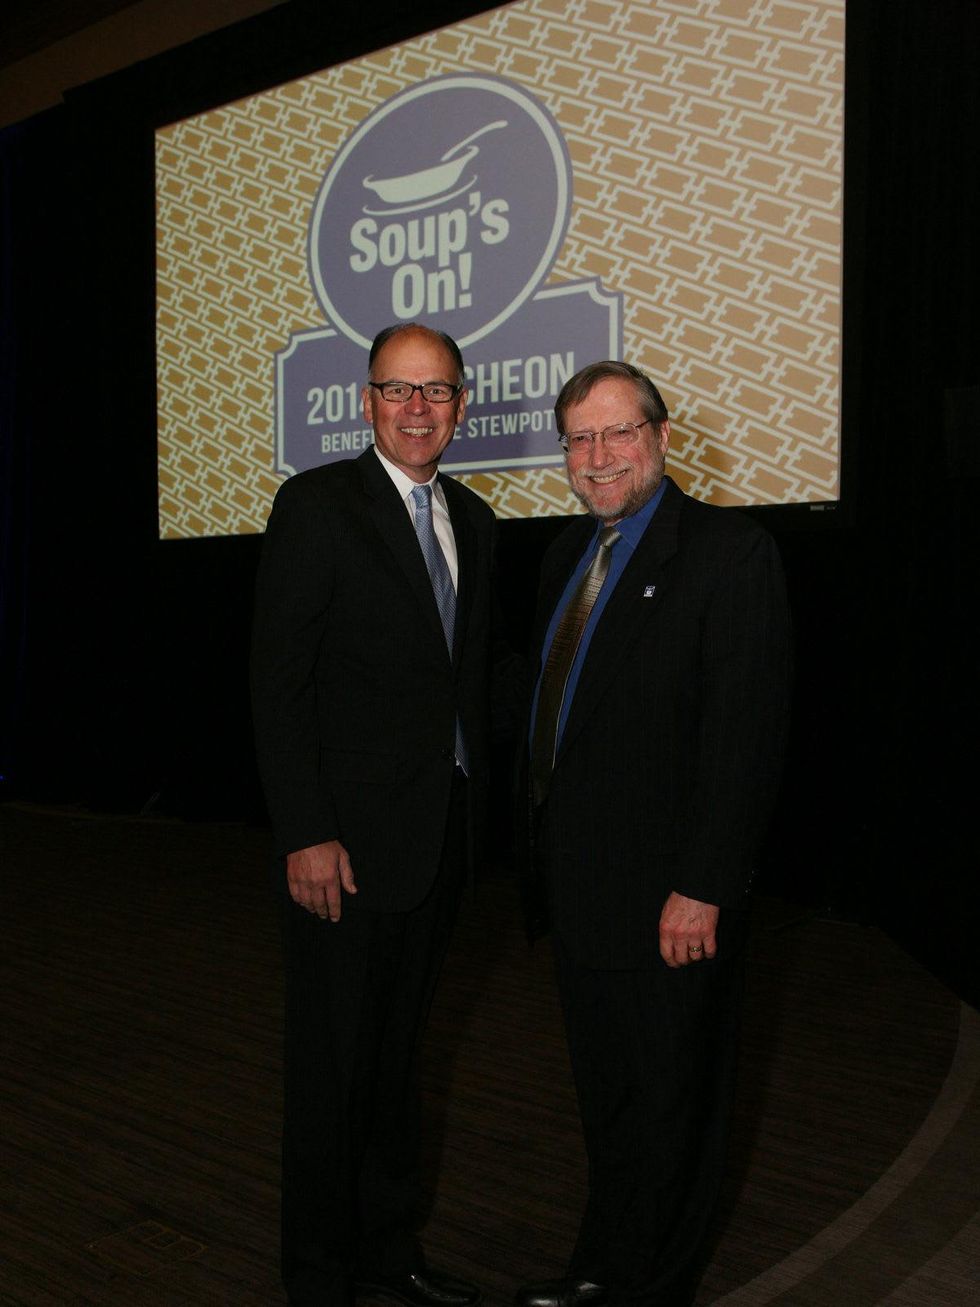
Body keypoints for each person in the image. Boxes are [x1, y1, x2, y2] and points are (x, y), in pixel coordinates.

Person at [516, 361, 792, 1307]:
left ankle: (652, 1283)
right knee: (613, 1102)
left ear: (662, 439)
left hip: (671, 897)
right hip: (583, 892)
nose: (598, 457)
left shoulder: (728, 551)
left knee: (675, 1103)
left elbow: (744, 737)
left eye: (617, 434)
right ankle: (604, 1262)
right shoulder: (566, 557)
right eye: (580, 440)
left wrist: (705, 882)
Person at [251, 324, 493, 1307]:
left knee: (400, 1063)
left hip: (437, 845)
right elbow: (278, 682)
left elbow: (463, 681)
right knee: (332, 1070)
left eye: (435, 391)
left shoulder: (473, 519)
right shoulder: (315, 507)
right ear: (365, 401)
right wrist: (305, 829)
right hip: (341, 853)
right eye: (397, 390)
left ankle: (389, 1250)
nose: (417, 408)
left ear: (462, 404)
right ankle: (315, 1275)